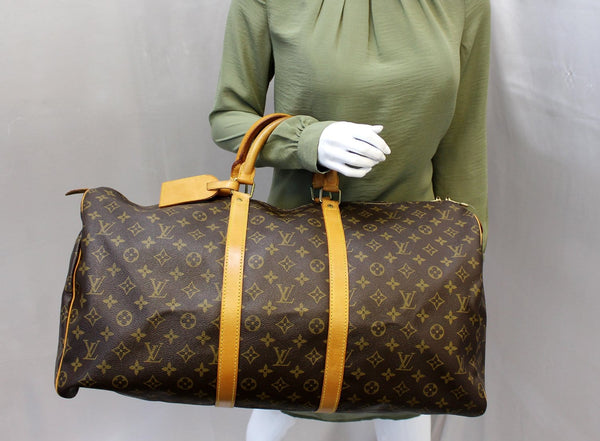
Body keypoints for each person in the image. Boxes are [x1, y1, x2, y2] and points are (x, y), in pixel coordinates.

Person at [209, 1, 490, 440]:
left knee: (406, 403)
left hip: (413, 263)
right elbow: (228, 117)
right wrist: (308, 139)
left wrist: (469, 255)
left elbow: (463, 139)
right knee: (279, 397)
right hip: (299, 259)